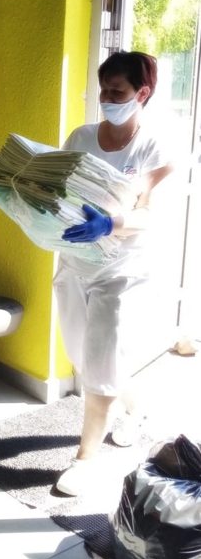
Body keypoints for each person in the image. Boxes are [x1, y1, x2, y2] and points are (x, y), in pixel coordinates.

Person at [53, 50, 173, 496]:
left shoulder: (154, 148)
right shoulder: (80, 137)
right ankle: (136, 410)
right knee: (82, 356)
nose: (106, 98)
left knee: (102, 363)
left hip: (122, 270)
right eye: (103, 90)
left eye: (117, 92)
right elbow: (57, 188)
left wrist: (111, 224)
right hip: (74, 262)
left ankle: (85, 459)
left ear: (142, 93)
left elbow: (150, 214)